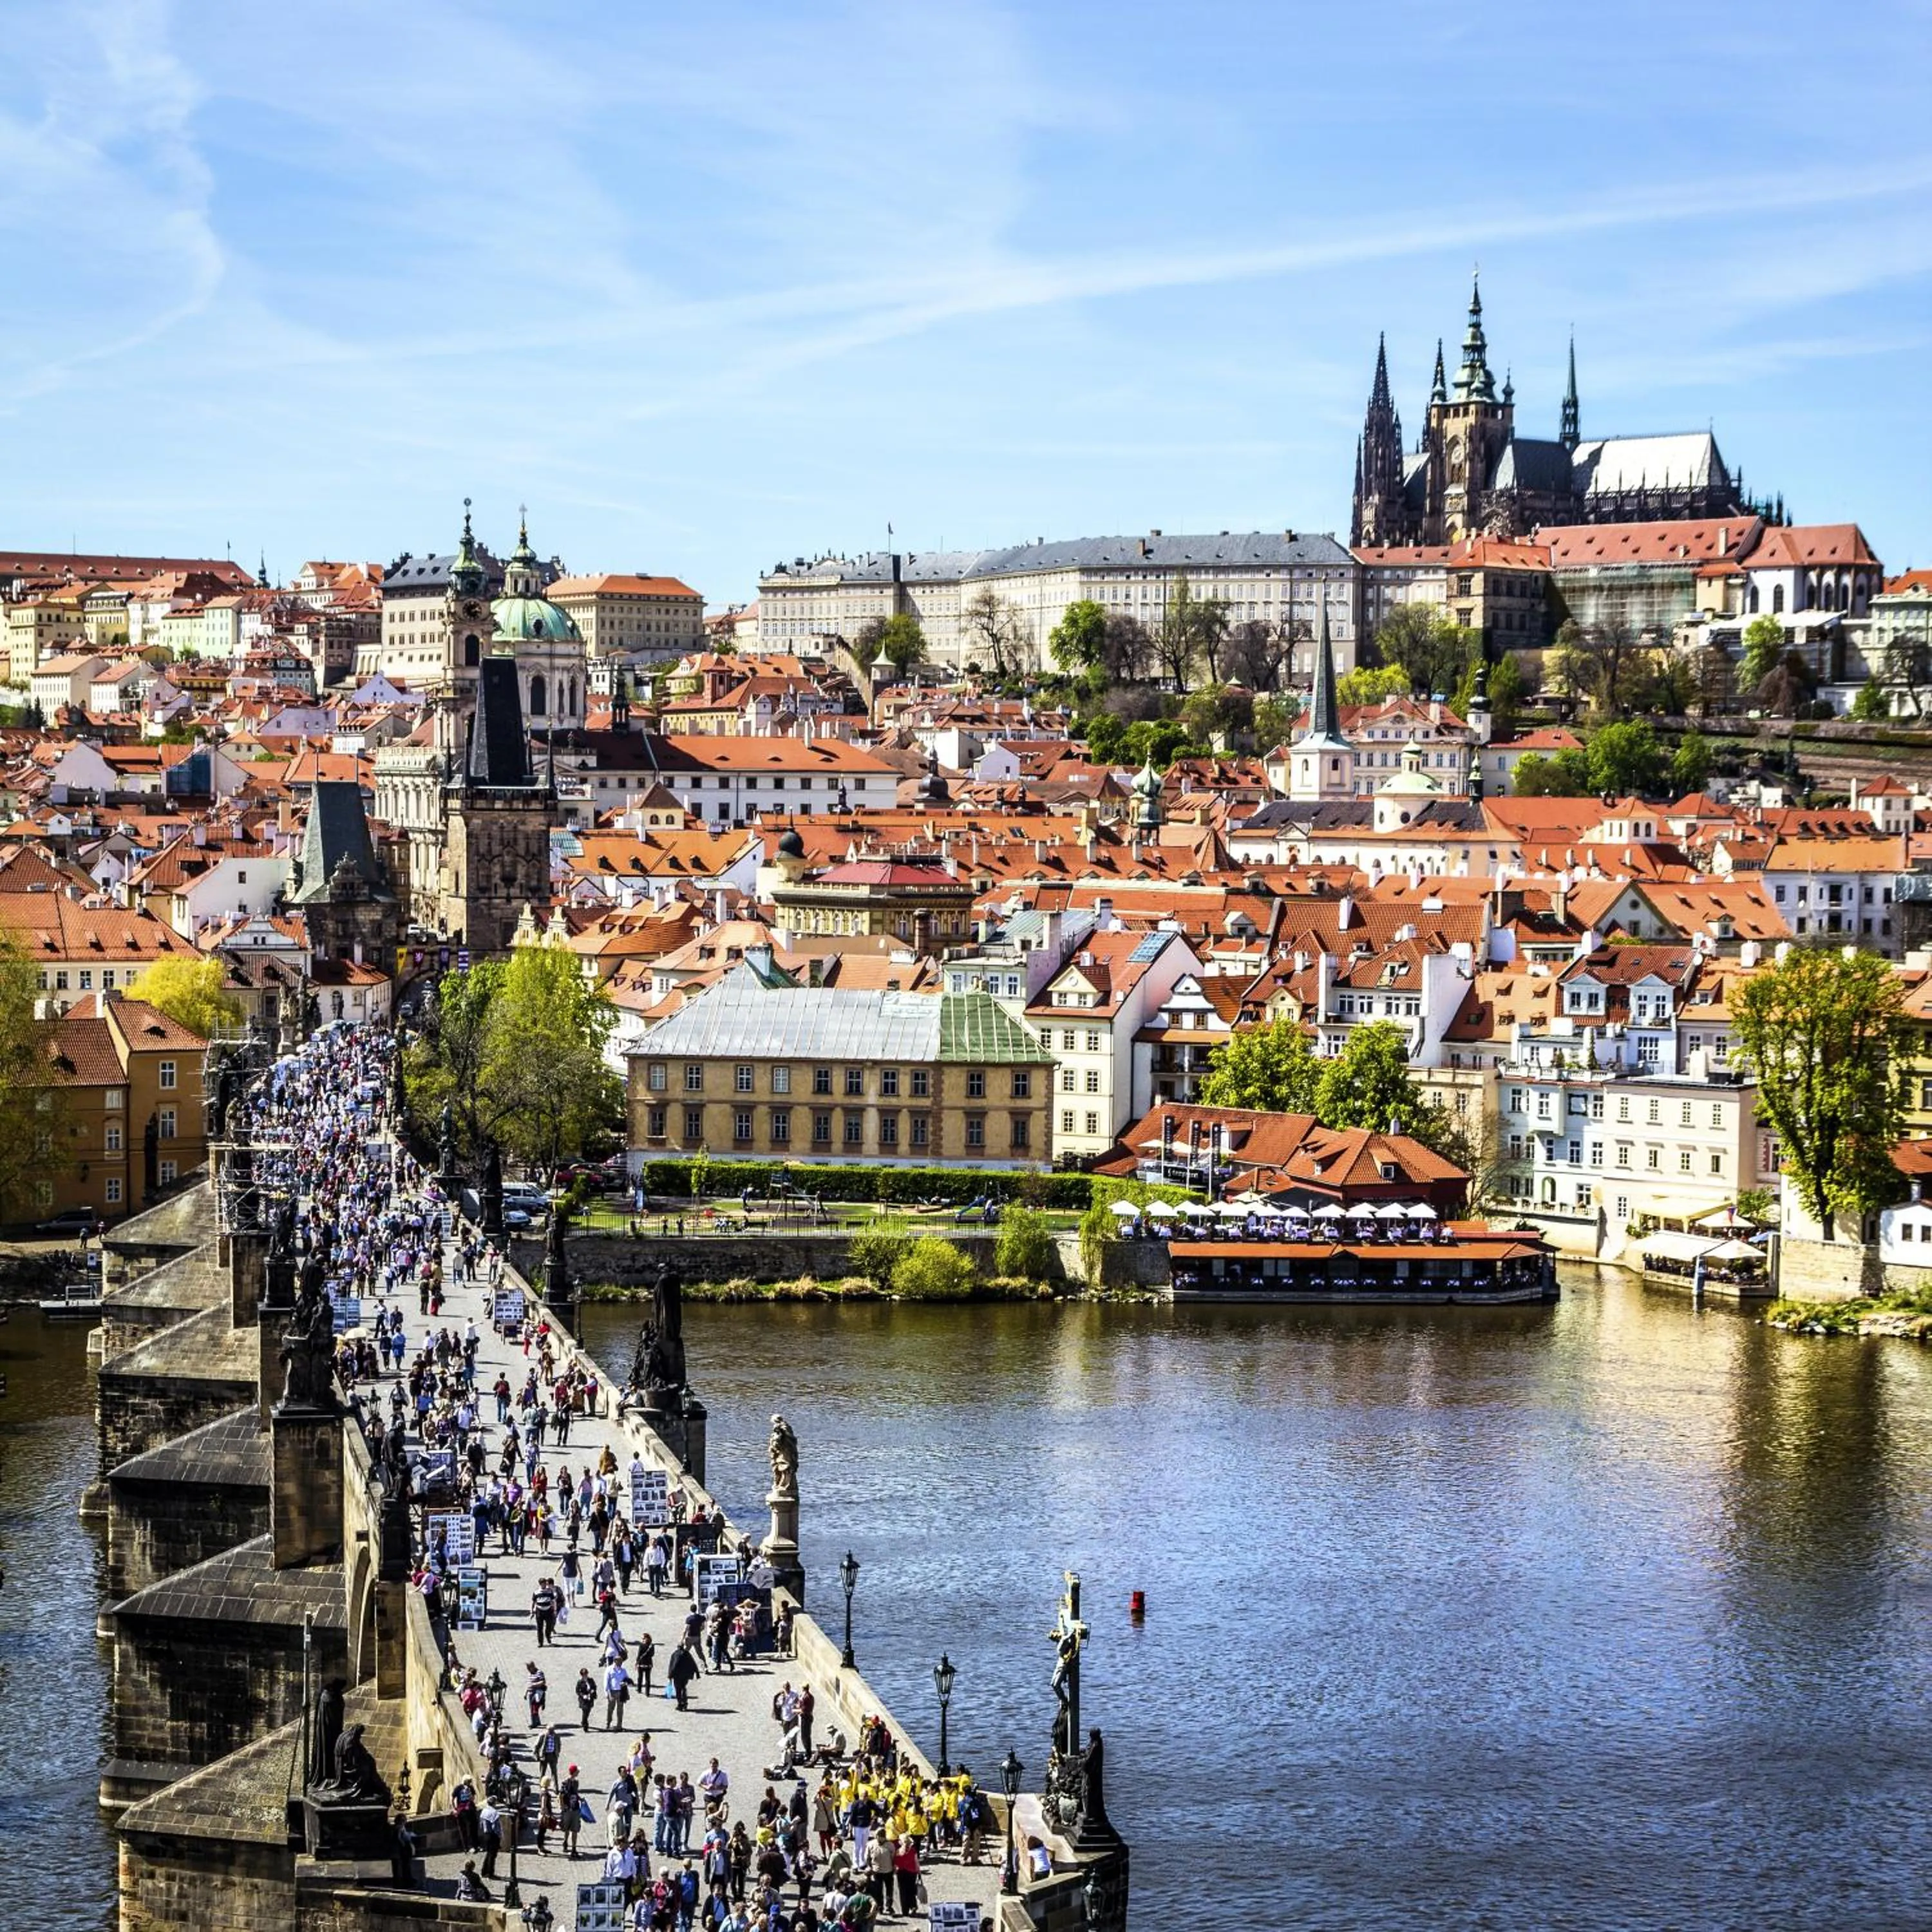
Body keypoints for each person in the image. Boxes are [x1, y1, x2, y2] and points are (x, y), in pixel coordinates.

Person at [667, 1638, 701, 1712]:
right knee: (683, 1688)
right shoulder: (687, 1653)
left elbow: (673, 1665)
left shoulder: (675, 1654)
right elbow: (693, 1663)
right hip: (686, 1675)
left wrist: (670, 1675)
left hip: (677, 1675)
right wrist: (697, 1673)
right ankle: (685, 1703)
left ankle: (680, 1704)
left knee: (678, 1690)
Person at [560, 1766, 584, 1859]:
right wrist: (562, 1806)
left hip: (575, 1809)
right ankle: (565, 1841)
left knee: (575, 1829)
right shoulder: (565, 1782)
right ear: (574, 1772)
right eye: (577, 1771)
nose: (578, 1772)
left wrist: (580, 1798)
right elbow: (561, 1795)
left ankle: (574, 1848)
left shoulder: (576, 1782)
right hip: (568, 1809)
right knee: (567, 1828)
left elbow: (575, 1793)